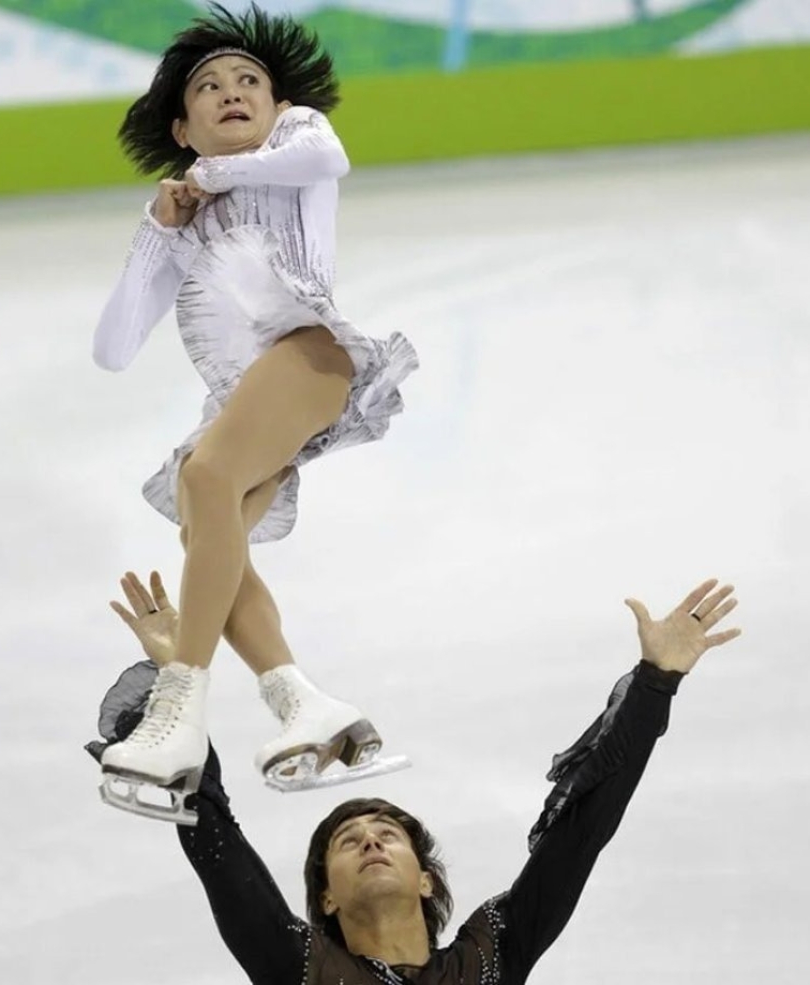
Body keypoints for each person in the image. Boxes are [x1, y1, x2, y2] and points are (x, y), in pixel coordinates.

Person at [86, 571, 740, 981]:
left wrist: (655, 683)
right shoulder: (299, 965)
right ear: (327, 897)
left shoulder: (491, 955)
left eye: (386, 834)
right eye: (348, 841)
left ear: (426, 877)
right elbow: (215, 837)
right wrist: (180, 677)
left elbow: (581, 831)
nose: (371, 840)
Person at [91, 3, 418, 809]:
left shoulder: (292, 143)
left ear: (275, 106)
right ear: (180, 124)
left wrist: (209, 175)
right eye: (209, 87)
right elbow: (112, 348)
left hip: (307, 355)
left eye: (250, 82)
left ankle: (180, 706)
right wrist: (157, 228)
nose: (233, 92)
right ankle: (302, 702)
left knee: (205, 480)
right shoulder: (181, 210)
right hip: (246, 398)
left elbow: (326, 152)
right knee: (209, 528)